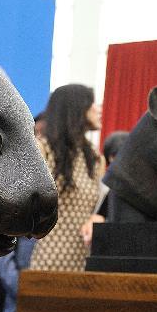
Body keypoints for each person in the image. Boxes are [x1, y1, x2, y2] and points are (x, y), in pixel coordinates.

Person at [30, 84, 103, 272]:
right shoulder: (43, 150)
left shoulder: (94, 158)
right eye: (91, 103)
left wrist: (97, 217)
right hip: (46, 259)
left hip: (84, 263)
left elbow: (97, 207)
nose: (98, 108)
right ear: (76, 108)